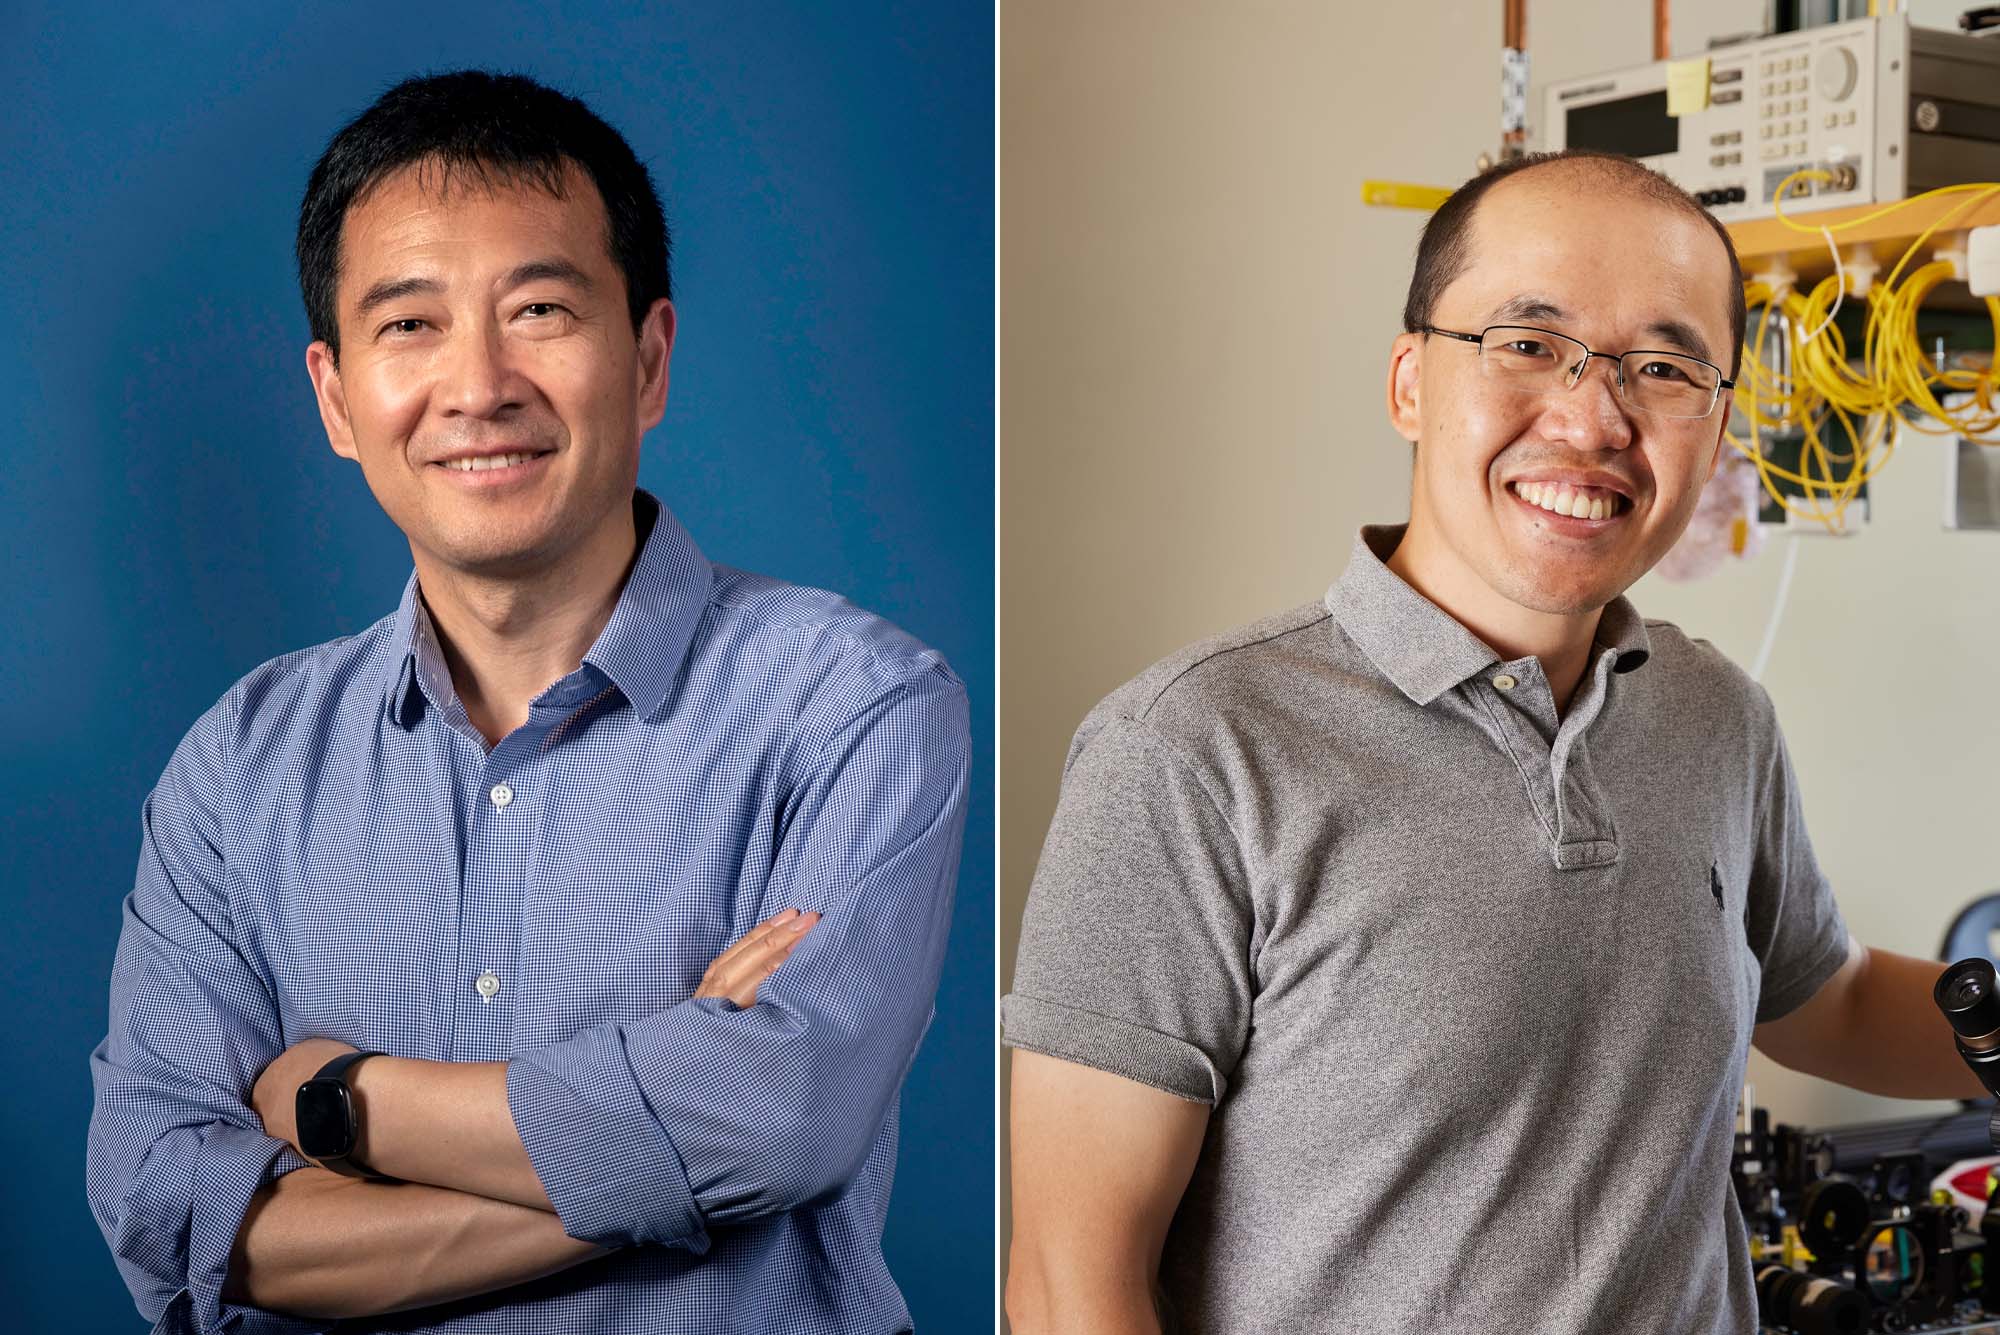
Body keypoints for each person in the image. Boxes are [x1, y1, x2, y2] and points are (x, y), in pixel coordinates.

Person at [1002, 148, 1983, 1335]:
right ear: (1409, 381)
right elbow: (1071, 1284)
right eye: (1527, 345)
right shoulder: (1190, 752)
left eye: (1663, 368)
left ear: (1714, 425)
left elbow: (1821, 999)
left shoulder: (1713, 713)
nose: (1591, 417)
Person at [86, 71, 969, 1335]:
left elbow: (783, 1117)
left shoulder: (853, 707)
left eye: (540, 309)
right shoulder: (240, 768)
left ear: (648, 359)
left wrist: (339, 1102)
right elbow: (171, 1213)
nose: (480, 384)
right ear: (337, 400)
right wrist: (680, 1155)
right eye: (410, 327)